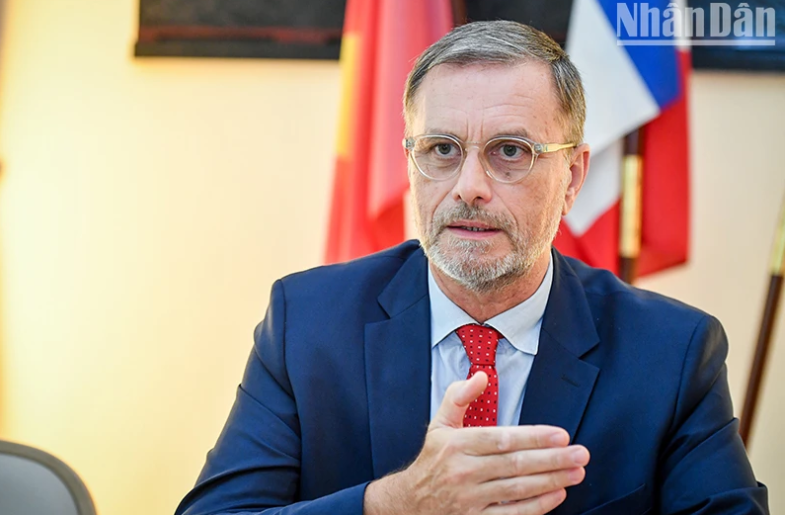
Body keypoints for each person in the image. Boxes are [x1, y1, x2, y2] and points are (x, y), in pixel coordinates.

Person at [175, 20, 768, 515]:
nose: (469, 187)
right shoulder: (306, 324)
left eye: (511, 152)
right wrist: (396, 504)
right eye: (442, 149)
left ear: (573, 178)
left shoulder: (671, 352)